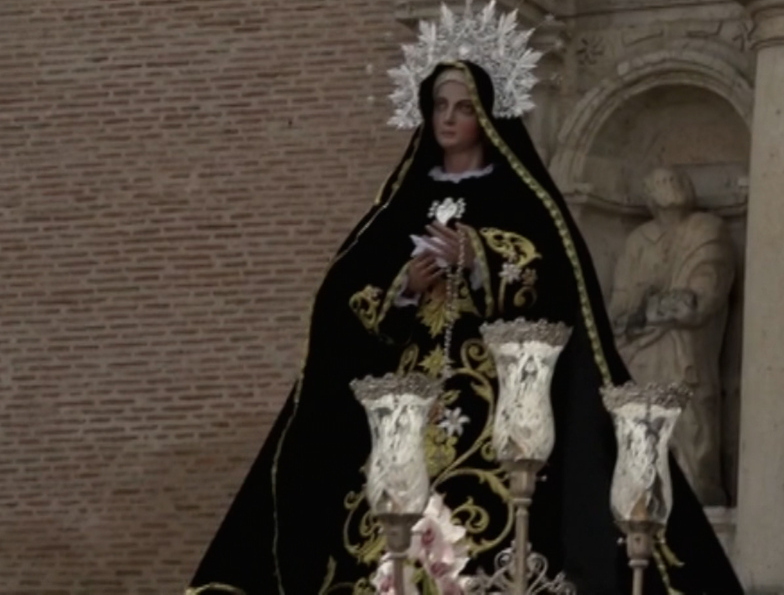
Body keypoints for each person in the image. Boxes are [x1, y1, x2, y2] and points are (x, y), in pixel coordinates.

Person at [186, 55, 746, 594]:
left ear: (487, 118)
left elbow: (555, 282)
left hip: (496, 409)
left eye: (463, 107)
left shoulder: (521, 202)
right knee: (380, 538)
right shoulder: (400, 204)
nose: (448, 118)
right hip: (405, 408)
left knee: (497, 535)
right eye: (439, 106)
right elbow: (344, 298)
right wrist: (404, 287)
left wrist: (479, 256)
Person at [610, 167, 736, 507]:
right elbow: (619, 311)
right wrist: (647, 312)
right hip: (638, 358)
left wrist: (646, 311)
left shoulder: (707, 232)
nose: (672, 183)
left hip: (685, 355)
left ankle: (695, 500)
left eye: (678, 178)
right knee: (640, 437)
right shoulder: (638, 241)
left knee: (692, 432)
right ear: (648, 194)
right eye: (662, 180)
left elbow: (698, 301)